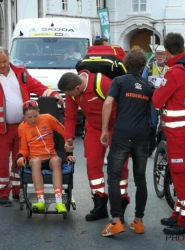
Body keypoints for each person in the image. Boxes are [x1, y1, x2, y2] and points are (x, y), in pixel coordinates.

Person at [0, 47, 63, 207]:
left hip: (23, 127)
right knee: (1, 161)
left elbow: (38, 87)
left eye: (4, 61)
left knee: (20, 159)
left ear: (8, 58)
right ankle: (2, 193)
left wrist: (54, 95)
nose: (2, 65)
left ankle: (17, 190)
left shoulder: (21, 73)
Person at [58, 71, 130, 223]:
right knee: (92, 165)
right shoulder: (71, 92)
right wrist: (69, 138)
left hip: (116, 127)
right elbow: (70, 116)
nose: (69, 97)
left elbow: (123, 105)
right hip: (94, 128)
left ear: (78, 88)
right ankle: (100, 204)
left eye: (70, 94)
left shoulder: (102, 83)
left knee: (119, 166)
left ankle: (121, 203)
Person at [152, 33, 185, 235]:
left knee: (181, 174)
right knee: (180, 172)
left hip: (177, 132)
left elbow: (157, 101)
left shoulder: (174, 72)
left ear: (166, 51)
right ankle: (178, 213)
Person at [100, 49, 154, 236]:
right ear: (143, 66)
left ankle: (116, 222)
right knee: (140, 179)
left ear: (126, 64)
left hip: (122, 134)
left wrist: (105, 130)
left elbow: (107, 103)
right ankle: (138, 222)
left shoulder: (119, 81)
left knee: (114, 176)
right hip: (142, 135)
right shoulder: (148, 86)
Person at [15, 100, 75, 213]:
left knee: (57, 160)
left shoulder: (48, 118)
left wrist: (68, 154)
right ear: (24, 116)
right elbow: (23, 148)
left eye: (35, 116)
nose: (33, 119)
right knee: (36, 161)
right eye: (29, 117)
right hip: (35, 158)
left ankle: (59, 202)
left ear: (39, 112)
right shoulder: (22, 127)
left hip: (51, 156)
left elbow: (65, 133)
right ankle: (41, 201)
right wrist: (20, 157)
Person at [142, 45, 168, 157]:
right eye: (158, 53)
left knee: (164, 124)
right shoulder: (149, 66)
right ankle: (151, 147)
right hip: (152, 99)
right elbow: (143, 81)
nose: (159, 56)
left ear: (166, 55)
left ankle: (161, 148)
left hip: (166, 100)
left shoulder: (170, 67)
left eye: (162, 54)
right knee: (152, 124)